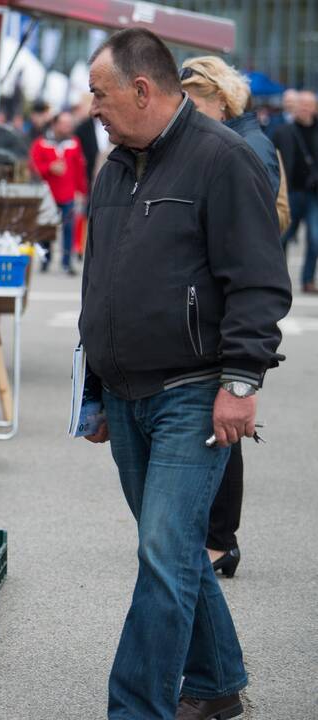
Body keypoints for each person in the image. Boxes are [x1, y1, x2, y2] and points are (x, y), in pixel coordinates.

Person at [81, 29, 291, 720]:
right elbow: (99, 284)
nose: (93, 109)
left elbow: (259, 283)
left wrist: (239, 383)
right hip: (126, 391)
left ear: (142, 90)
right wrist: (96, 392)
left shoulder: (223, 160)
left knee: (163, 557)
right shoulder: (115, 166)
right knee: (171, 556)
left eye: (100, 95)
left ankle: (135, 709)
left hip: (191, 394)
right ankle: (216, 681)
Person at [180, 55, 289, 580]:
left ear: (219, 100)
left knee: (223, 422)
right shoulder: (241, 138)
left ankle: (221, 541)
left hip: (230, 307)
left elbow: (254, 237)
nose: (187, 112)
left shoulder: (245, 146)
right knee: (217, 425)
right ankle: (217, 538)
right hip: (221, 304)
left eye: (194, 102)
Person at [29, 111, 88, 274]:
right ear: (55, 124)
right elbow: (33, 166)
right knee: (46, 228)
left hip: (68, 194)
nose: (68, 126)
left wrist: (81, 191)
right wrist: (49, 168)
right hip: (47, 195)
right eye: (64, 123)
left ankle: (66, 262)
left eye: (70, 123)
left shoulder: (74, 143)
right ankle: (45, 260)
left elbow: (79, 169)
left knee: (69, 229)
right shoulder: (41, 143)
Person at [273, 91, 318, 287]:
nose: (304, 108)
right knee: (282, 237)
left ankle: (307, 280)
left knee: (315, 238)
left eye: (309, 105)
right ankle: (278, 278)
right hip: (290, 192)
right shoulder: (283, 131)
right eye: (301, 104)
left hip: (314, 195)